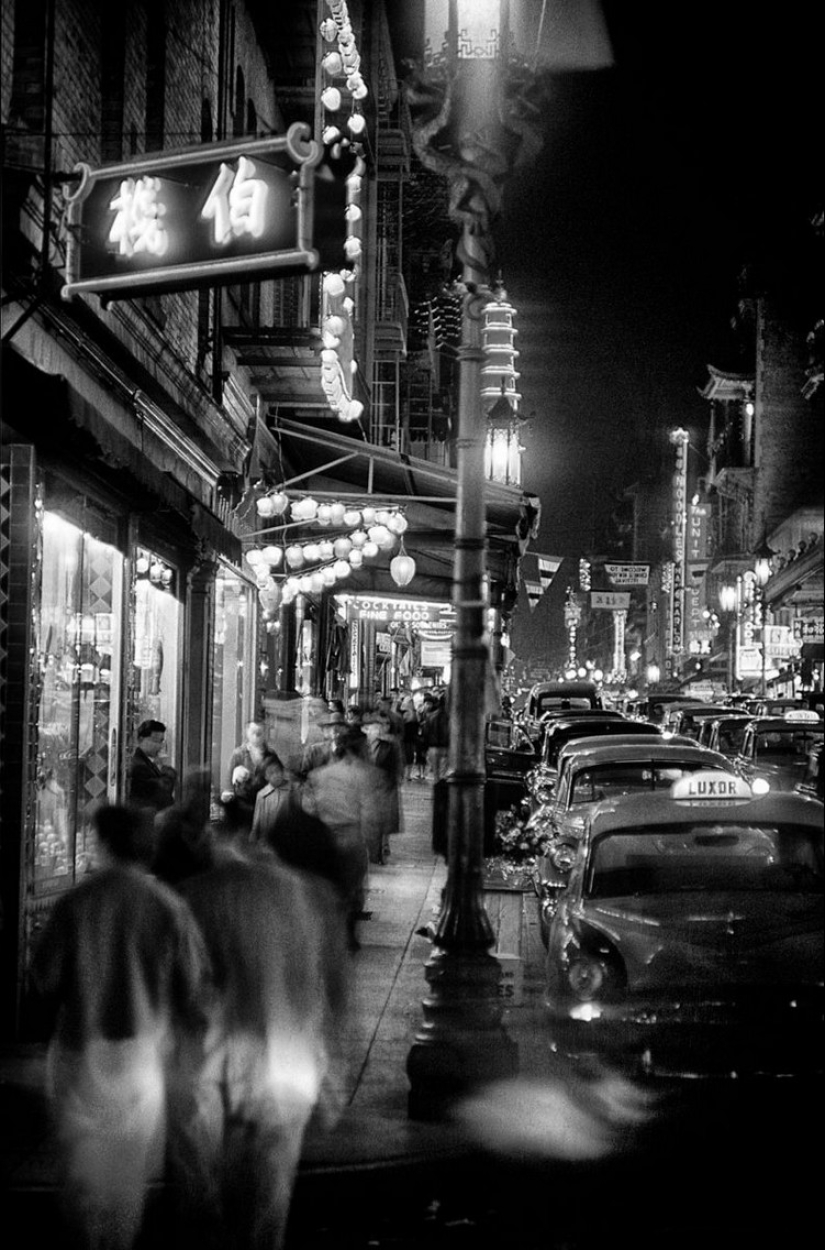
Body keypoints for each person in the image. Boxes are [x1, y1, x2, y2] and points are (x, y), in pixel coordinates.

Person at [30, 803, 210, 1250]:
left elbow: (44, 978)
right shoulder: (169, 907)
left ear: (103, 843)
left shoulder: (77, 902)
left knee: (80, 1187)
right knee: (126, 1187)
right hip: (142, 1057)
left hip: (80, 1052)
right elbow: (194, 989)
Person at [168, 852, 351, 1250]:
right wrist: (333, 1060)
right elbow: (334, 984)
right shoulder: (314, 897)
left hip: (210, 1057)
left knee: (203, 1191)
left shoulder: (197, 895)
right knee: (269, 1196)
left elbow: (181, 982)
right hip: (288, 1058)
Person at [302, 728, 382, 949]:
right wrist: (372, 841)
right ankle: (347, 933)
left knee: (327, 886)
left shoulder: (319, 775)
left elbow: (309, 808)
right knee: (352, 887)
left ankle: (326, 932)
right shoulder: (365, 775)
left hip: (325, 838)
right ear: (358, 749)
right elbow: (370, 812)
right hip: (351, 836)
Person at [362, 712, 404, 863]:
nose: (380, 729)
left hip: (385, 786)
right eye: (376, 726)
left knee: (382, 820)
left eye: (383, 725)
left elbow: (397, 765)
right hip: (366, 787)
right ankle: (373, 850)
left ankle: (380, 850)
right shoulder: (362, 745)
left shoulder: (391, 744)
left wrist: (397, 779)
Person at [225, 721, 277, 829]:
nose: (256, 737)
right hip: (243, 802)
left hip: (265, 804)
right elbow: (229, 777)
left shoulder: (271, 754)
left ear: (264, 735)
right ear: (247, 733)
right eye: (253, 733)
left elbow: (278, 776)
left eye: (259, 733)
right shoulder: (239, 753)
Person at [128, 719, 176, 814]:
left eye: (161, 741)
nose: (159, 746)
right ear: (141, 740)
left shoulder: (150, 763)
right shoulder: (139, 766)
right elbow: (161, 790)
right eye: (154, 741)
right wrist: (167, 773)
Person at [250, 752, 294, 846]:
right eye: (271, 773)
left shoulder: (293, 790)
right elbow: (256, 821)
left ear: (283, 771)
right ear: (266, 776)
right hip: (266, 844)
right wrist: (253, 837)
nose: (276, 775)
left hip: (288, 842)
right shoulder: (262, 795)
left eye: (278, 771)